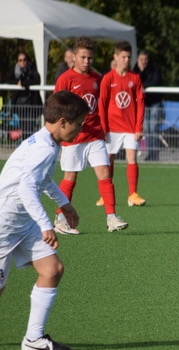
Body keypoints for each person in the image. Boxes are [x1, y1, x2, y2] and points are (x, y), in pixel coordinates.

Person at [0, 91, 89, 350]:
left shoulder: (47, 141)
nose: (80, 129)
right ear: (63, 122)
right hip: (0, 226)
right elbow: (26, 188)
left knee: (52, 269)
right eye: (78, 123)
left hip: (21, 224)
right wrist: (46, 224)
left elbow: (43, 180)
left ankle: (34, 339)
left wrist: (64, 203)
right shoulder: (43, 148)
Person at [53, 37, 128, 234]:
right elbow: (57, 106)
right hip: (73, 137)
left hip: (95, 135)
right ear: (74, 57)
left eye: (90, 58)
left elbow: (101, 103)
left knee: (105, 173)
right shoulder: (65, 79)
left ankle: (111, 217)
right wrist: (65, 127)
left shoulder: (97, 78)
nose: (87, 61)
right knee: (70, 177)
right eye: (83, 57)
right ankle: (60, 218)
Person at [97, 41, 146, 208]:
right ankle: (105, 195)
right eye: (123, 57)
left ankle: (133, 194)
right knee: (109, 159)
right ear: (116, 57)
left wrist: (139, 127)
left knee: (132, 158)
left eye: (129, 57)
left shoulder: (135, 78)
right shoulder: (108, 78)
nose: (126, 60)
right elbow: (102, 104)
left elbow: (140, 104)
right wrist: (103, 128)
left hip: (131, 128)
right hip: (112, 128)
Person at [133, 50, 164, 161]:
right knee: (146, 129)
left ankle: (155, 154)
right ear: (138, 60)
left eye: (145, 59)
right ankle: (150, 153)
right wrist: (141, 72)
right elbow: (134, 82)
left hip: (155, 102)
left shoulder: (155, 68)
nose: (144, 62)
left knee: (153, 128)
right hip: (143, 103)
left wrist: (143, 85)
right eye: (141, 59)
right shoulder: (136, 69)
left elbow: (155, 82)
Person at [6, 52, 42, 137]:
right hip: (20, 103)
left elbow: (37, 80)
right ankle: (25, 142)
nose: (23, 62)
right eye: (20, 60)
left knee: (30, 126)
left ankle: (30, 143)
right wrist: (17, 82)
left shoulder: (32, 70)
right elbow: (8, 80)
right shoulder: (15, 71)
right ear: (17, 61)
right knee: (23, 126)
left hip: (31, 103)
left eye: (24, 60)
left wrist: (23, 83)